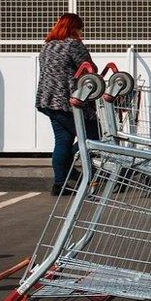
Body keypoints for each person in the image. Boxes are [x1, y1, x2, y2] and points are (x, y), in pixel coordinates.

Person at [36, 13, 99, 196]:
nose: (81, 32)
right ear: (73, 28)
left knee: (62, 140)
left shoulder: (47, 46)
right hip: (69, 102)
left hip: (48, 101)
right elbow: (90, 69)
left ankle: (60, 183)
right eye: (80, 28)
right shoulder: (73, 44)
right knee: (92, 135)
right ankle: (72, 168)